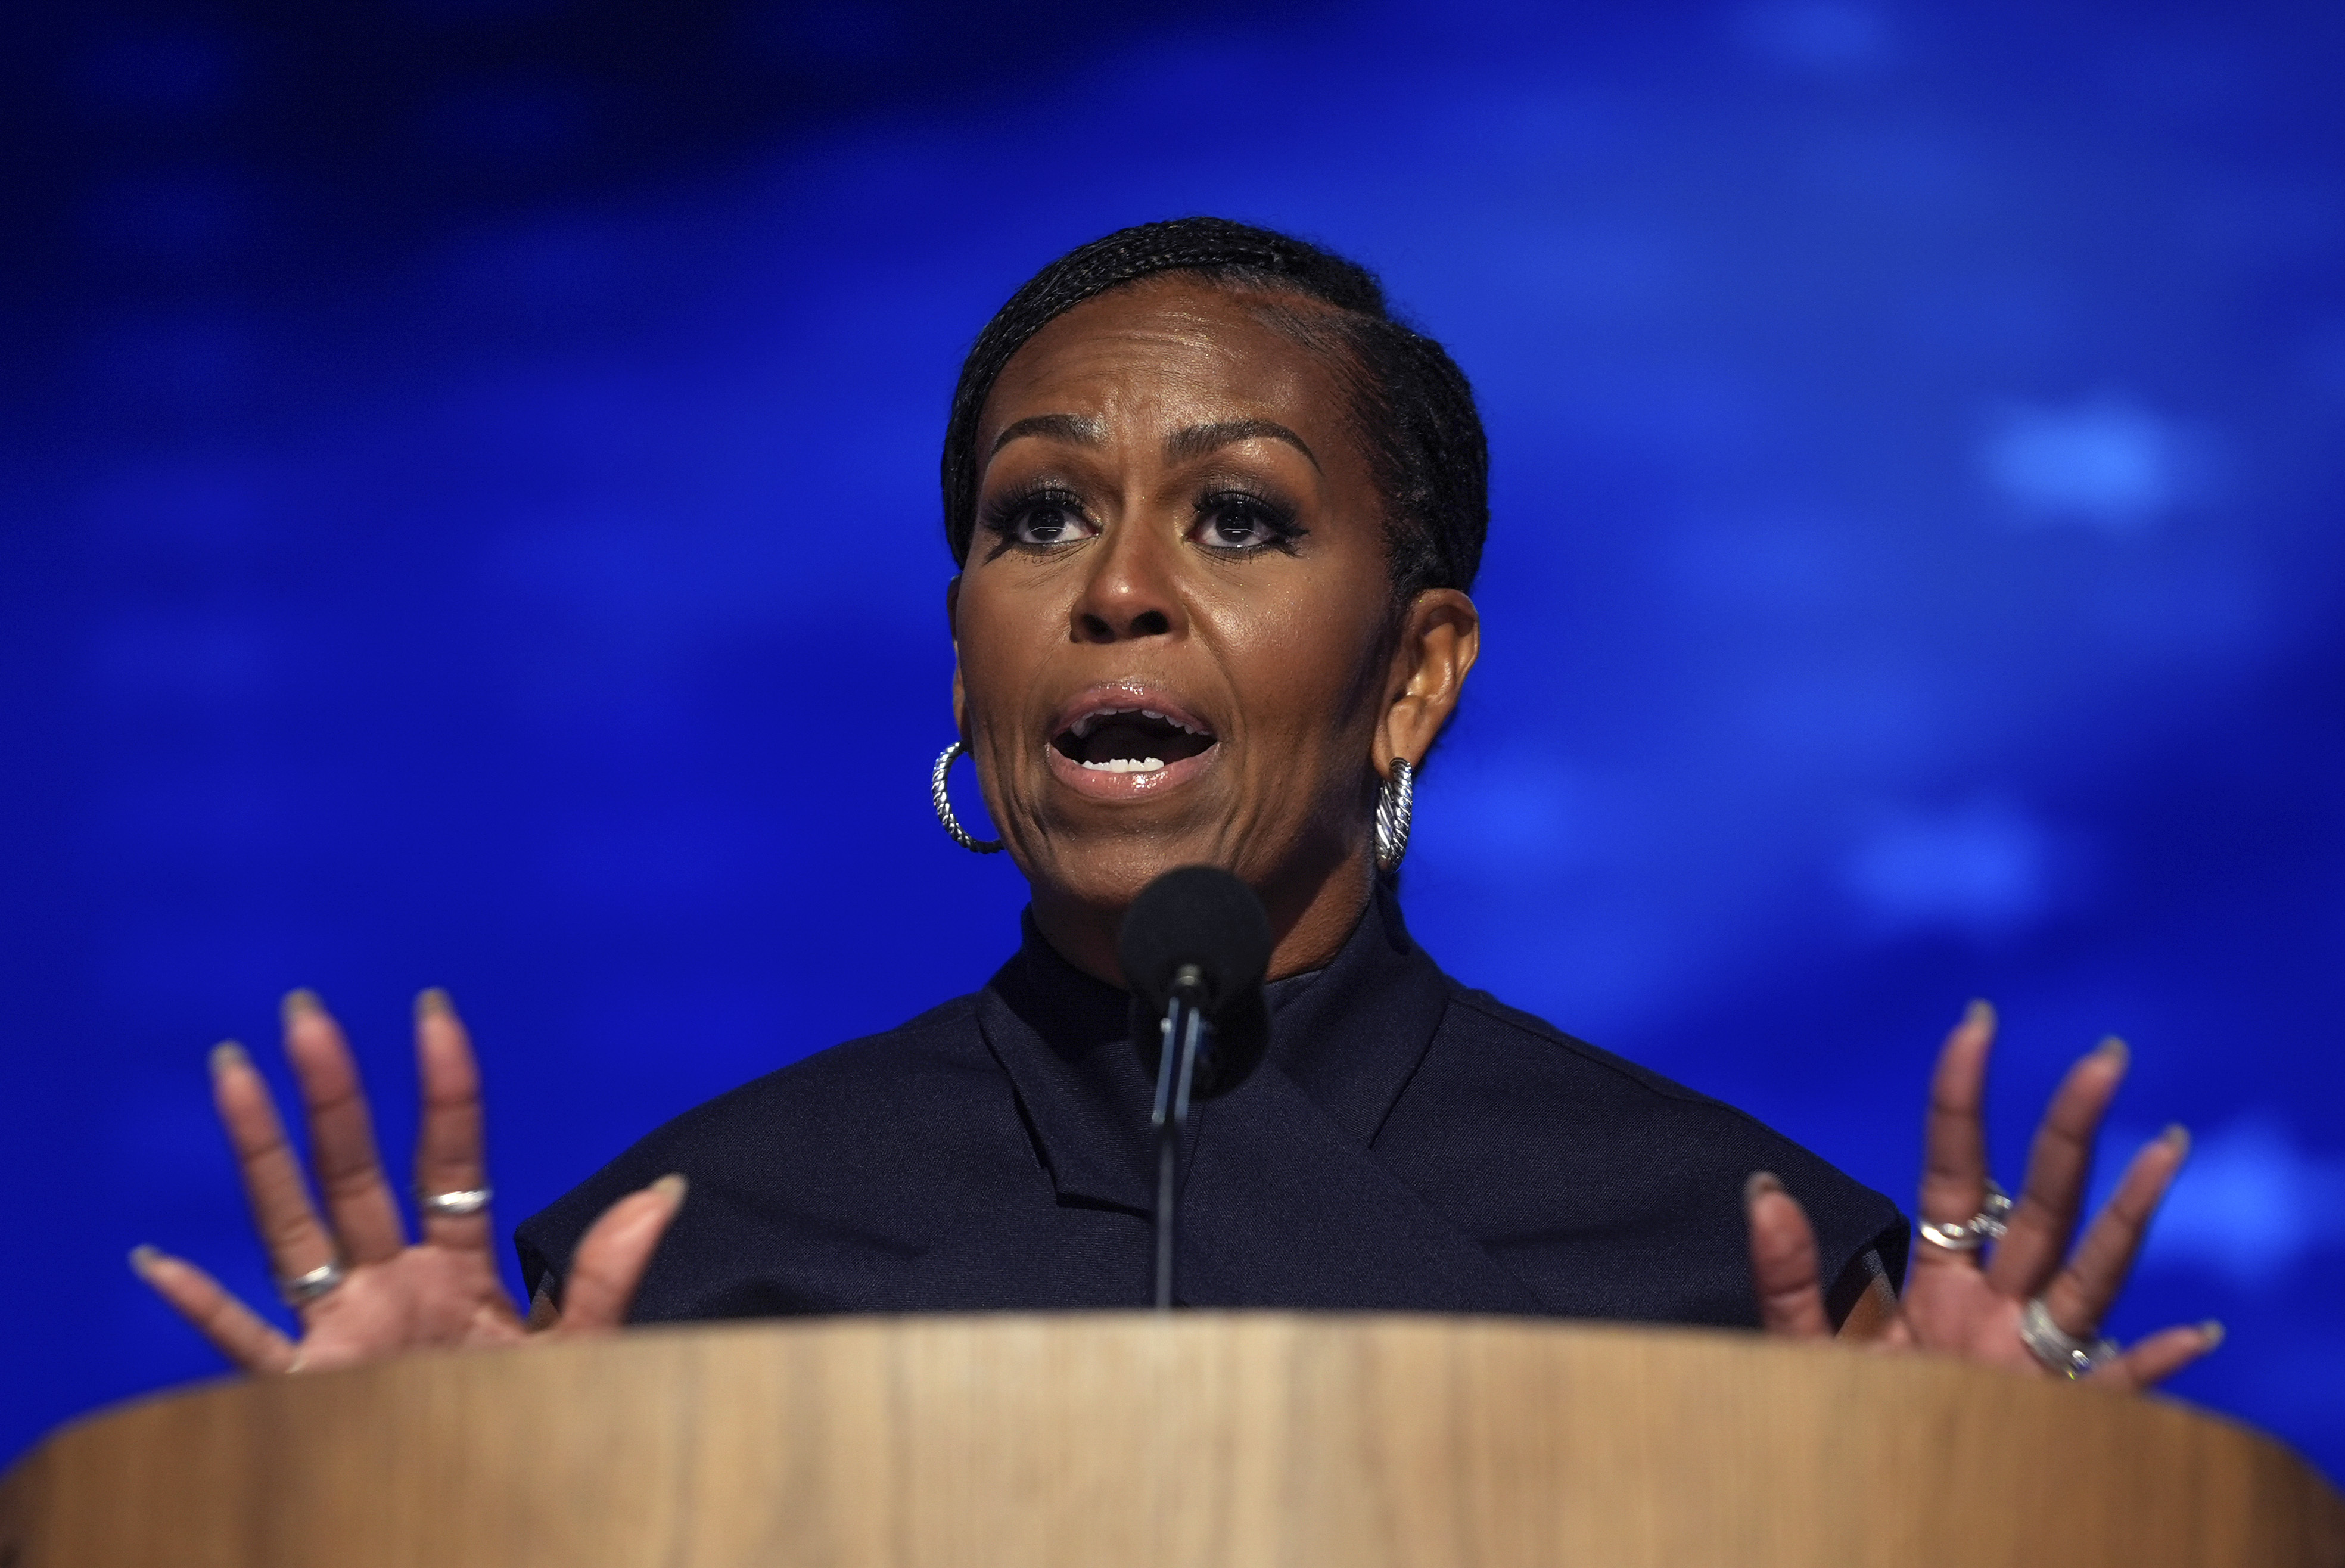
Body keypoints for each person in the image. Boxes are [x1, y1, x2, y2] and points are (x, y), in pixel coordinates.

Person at [130, 218, 2218, 1389]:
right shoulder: (669, 1274)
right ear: (969, 660)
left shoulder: (1749, 1274)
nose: (1119, 584)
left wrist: (1968, 1518)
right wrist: (390, 1514)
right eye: (1041, 517)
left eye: (1237, 516)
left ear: (1416, 675)